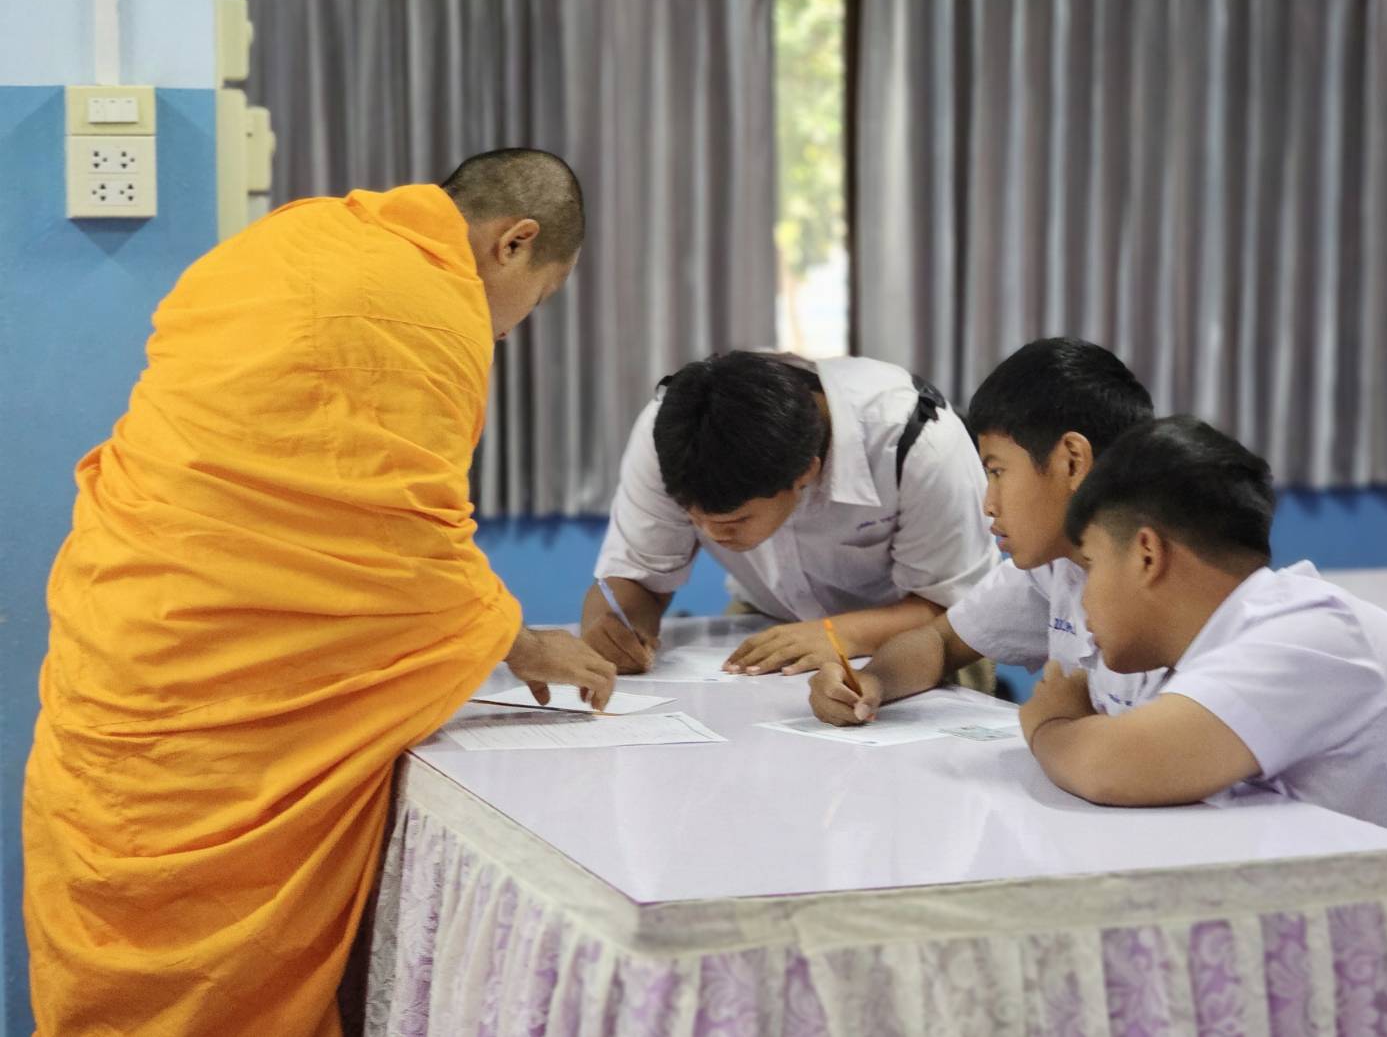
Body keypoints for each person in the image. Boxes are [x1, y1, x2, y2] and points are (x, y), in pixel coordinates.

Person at [23, 148, 617, 1036]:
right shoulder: (428, 306)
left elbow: (353, 514)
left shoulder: (293, 237)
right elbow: (402, 541)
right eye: (540, 297)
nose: (511, 328)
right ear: (514, 243)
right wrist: (523, 641)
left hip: (129, 642)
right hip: (225, 692)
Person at [1020, 415, 1387, 1030]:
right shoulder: (1220, 644)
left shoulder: (1305, 631)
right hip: (1378, 945)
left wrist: (1048, 724)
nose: (1084, 601)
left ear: (1148, 554)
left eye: (1092, 566)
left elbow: (1117, 766)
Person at [810, 337, 1163, 726]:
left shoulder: (1172, 584)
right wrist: (869, 682)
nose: (988, 503)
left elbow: (1152, 769)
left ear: (1073, 462)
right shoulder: (1053, 566)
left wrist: (1049, 725)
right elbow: (939, 642)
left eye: (997, 471)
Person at [584, 350, 999, 674]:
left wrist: (837, 635)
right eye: (693, 519)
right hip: (772, 621)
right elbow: (638, 580)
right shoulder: (673, 430)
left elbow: (957, 608)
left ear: (806, 473)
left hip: (920, 637)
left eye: (734, 522)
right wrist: (616, 632)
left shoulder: (916, 443)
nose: (711, 534)